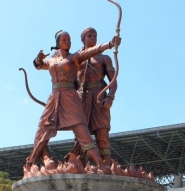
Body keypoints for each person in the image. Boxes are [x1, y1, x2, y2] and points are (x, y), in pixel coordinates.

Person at [24, 30, 121, 177]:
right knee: (43, 129)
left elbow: (93, 51)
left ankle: (101, 164)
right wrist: (38, 59)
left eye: (69, 39)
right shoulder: (52, 60)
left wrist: (109, 44)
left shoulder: (75, 57)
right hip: (55, 98)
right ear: (57, 43)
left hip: (73, 97)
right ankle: (31, 163)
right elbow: (38, 66)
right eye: (64, 40)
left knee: (83, 130)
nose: (67, 42)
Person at [69, 27, 117, 166]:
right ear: (83, 39)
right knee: (81, 137)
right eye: (89, 35)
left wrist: (110, 97)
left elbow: (113, 81)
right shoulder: (75, 58)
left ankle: (106, 166)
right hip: (81, 99)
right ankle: (79, 166)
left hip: (99, 97)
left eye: (95, 36)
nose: (93, 38)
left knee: (102, 134)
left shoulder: (104, 58)